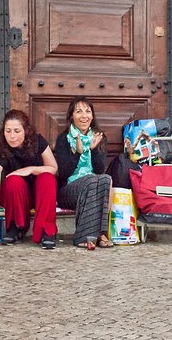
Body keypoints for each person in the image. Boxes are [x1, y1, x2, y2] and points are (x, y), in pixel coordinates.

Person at [0, 110, 58, 248]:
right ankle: (15, 227)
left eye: (16, 131)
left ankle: (47, 231)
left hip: (40, 195)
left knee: (47, 178)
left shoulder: (38, 141)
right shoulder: (3, 150)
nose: (12, 136)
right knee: (13, 181)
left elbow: (53, 168)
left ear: (26, 130)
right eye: (8, 131)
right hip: (16, 197)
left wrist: (30, 170)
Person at [54, 96, 114, 249]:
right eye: (79, 111)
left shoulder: (99, 137)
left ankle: (100, 232)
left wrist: (93, 151)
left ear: (92, 116)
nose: (84, 116)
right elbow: (63, 173)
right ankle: (84, 235)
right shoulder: (63, 139)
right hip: (68, 191)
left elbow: (100, 170)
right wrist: (78, 154)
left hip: (92, 186)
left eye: (88, 111)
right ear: (71, 116)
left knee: (105, 179)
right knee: (91, 180)